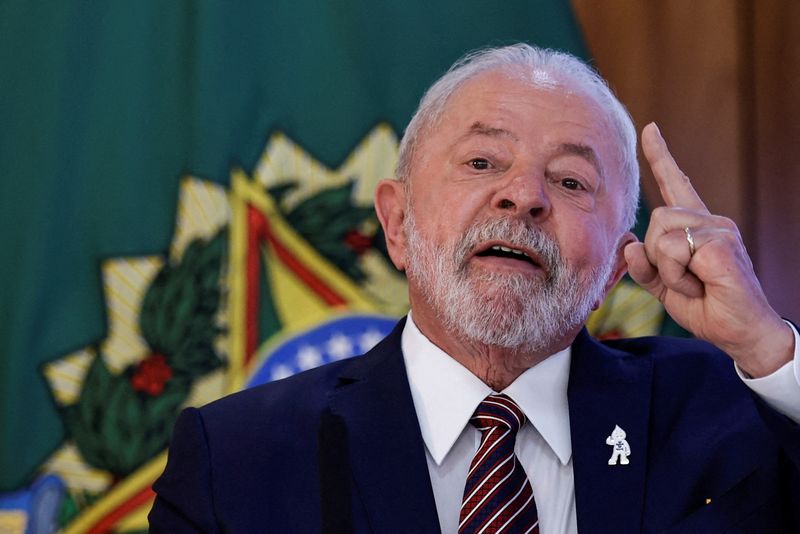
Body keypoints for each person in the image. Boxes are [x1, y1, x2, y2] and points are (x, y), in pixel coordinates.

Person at [149, 44, 800, 533]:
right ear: (396, 223)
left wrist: (765, 345)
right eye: (483, 162)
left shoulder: (726, 413)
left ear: (612, 268)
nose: (524, 196)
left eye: (572, 181)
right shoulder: (236, 460)